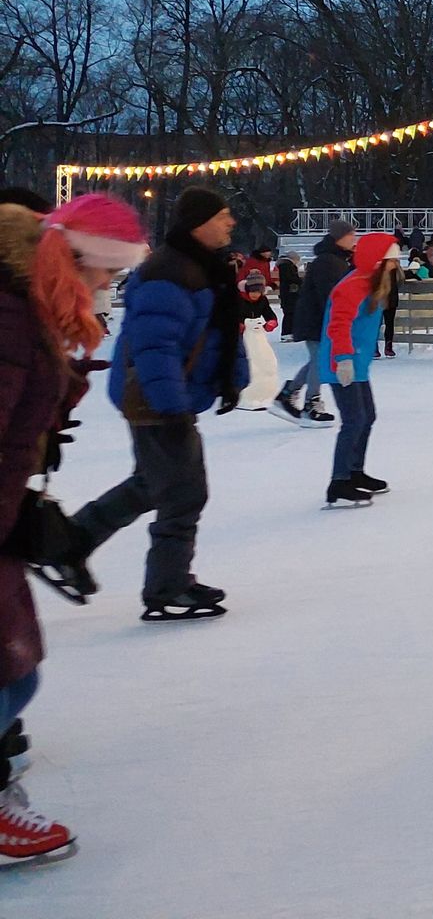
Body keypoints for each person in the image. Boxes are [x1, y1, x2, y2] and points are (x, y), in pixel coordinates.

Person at [0, 192, 146, 865]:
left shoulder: (25, 311)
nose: (108, 287)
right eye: (106, 272)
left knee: (14, 673)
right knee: (11, 677)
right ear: (72, 260)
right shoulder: (10, 318)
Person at [56, 188, 246, 621]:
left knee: (154, 483)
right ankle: (167, 585)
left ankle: (72, 543)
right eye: (223, 216)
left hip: (163, 394)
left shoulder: (198, 267)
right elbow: (154, 345)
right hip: (154, 397)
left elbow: (215, 332)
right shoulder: (169, 271)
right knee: (183, 491)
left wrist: (231, 379)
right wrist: (172, 407)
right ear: (199, 222)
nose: (230, 223)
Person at [320, 234, 404, 506]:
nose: (395, 266)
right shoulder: (353, 286)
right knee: (354, 420)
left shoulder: (370, 283)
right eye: (392, 260)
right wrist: (343, 358)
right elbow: (338, 325)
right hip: (342, 363)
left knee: (367, 416)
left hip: (357, 364)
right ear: (378, 260)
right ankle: (339, 481)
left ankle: (355, 472)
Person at [272, 220, 353, 428]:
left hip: (316, 319)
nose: (354, 239)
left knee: (317, 360)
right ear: (339, 238)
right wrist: (339, 318)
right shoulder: (328, 261)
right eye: (350, 236)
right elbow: (330, 294)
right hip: (317, 320)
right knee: (320, 361)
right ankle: (311, 403)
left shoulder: (335, 259)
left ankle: (288, 394)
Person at [234, 272, 280, 410]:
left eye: (258, 292)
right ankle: (242, 394)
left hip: (257, 334)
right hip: (241, 336)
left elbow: (268, 313)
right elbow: (231, 314)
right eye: (252, 291)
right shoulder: (238, 299)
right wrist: (239, 324)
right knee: (247, 361)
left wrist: (271, 322)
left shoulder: (263, 300)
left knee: (264, 360)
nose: (255, 295)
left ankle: (263, 392)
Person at [274, 251, 302, 341]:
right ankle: (287, 333)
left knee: (290, 313)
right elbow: (290, 278)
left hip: (287, 293)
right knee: (290, 313)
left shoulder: (285, 265)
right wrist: (300, 280)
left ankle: (288, 333)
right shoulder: (287, 265)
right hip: (289, 294)